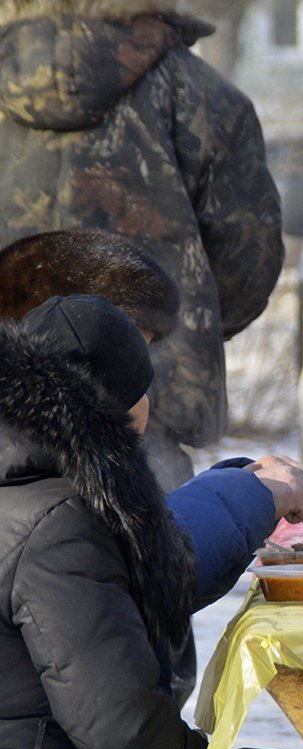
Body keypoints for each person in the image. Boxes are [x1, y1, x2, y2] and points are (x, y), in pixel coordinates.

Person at [0, 295, 303, 749]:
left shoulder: (36, 489)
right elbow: (128, 743)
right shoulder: (59, 525)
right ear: (122, 409)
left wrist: (253, 491)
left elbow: (160, 550)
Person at [0, 228, 303, 707]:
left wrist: (243, 485)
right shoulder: (51, 519)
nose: (147, 397)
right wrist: (254, 493)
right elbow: (135, 570)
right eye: (131, 356)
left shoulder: (31, 466)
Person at [0, 2, 284, 491]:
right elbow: (247, 259)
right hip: (151, 409)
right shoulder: (203, 96)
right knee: (158, 555)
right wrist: (167, 336)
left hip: (7, 406)